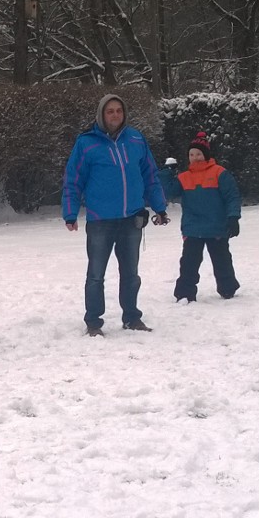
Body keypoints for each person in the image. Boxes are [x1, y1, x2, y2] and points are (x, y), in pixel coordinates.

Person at [61, 94, 170, 336]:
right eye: (110, 111)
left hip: (131, 219)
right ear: (102, 114)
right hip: (100, 220)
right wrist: (70, 212)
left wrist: (159, 207)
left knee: (131, 274)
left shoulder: (136, 139)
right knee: (96, 275)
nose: (115, 115)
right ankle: (93, 322)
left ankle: (132, 317)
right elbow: (73, 179)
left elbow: (150, 175)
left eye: (119, 110)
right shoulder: (86, 143)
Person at [172, 131, 242, 302]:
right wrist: (167, 173)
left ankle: (228, 289)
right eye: (191, 154)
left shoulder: (219, 173)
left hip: (217, 226)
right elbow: (168, 192)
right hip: (192, 228)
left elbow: (232, 196)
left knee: (222, 261)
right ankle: (184, 293)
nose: (195, 157)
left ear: (206, 155)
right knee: (189, 263)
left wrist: (233, 217)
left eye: (198, 154)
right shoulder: (183, 177)